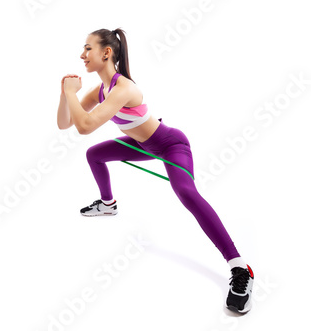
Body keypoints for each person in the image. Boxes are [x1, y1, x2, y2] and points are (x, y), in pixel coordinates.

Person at [57, 28, 254, 313]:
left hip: (170, 144)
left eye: (88, 48)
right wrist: (65, 95)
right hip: (141, 145)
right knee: (94, 155)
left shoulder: (123, 88)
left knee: (186, 193)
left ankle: (239, 268)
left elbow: (85, 126)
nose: (82, 54)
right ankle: (108, 204)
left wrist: (70, 93)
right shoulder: (100, 90)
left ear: (106, 52)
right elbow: (66, 124)